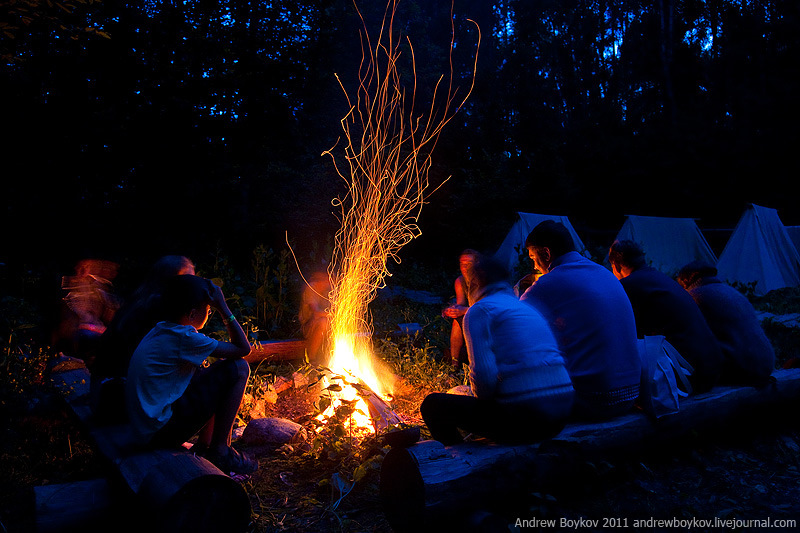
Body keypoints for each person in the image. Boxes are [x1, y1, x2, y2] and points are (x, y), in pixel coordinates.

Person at [420, 253, 574, 445]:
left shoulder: (480, 310)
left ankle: (461, 461)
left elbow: (484, 379)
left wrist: (478, 397)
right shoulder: (525, 307)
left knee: (433, 405)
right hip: (562, 412)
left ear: (476, 283)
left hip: (528, 415)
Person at [125, 274, 258, 475]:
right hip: (157, 433)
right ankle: (220, 451)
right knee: (238, 368)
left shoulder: (162, 329)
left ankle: (205, 447)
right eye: (208, 309)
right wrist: (223, 308)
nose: (210, 312)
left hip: (145, 428)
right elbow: (243, 349)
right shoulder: (183, 337)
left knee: (208, 375)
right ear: (192, 314)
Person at [520, 221, 641, 420]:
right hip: (631, 394)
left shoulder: (549, 282)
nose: (534, 265)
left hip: (595, 399)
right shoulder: (604, 273)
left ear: (546, 254)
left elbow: (514, 319)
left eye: (533, 257)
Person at [608, 240, 723, 393]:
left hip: (689, 375)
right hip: (711, 368)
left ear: (615, 265)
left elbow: (623, 337)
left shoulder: (629, 287)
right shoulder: (662, 279)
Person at [89, 255, 196, 417]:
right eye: (184, 280)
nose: (191, 287)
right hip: (115, 399)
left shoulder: (141, 298)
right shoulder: (158, 308)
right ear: (168, 281)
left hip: (103, 392)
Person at [677, 261, 775, 386]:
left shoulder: (696, 296)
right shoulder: (732, 292)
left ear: (686, 280)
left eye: (681, 283)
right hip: (765, 364)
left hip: (743, 369)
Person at [54, 258, 122, 362]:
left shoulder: (99, 286)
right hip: (80, 331)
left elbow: (111, 311)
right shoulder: (69, 285)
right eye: (82, 267)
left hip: (91, 330)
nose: (84, 270)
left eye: (88, 267)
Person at [441, 250, 478, 369]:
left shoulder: (483, 281)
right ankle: (454, 365)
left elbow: (486, 308)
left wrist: (463, 310)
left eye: (469, 263)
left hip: (487, 317)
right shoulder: (460, 281)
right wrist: (452, 310)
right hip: (472, 314)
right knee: (456, 320)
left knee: (462, 317)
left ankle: (477, 366)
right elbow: (460, 305)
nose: (465, 267)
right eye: (462, 264)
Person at [299, 270, 332, 364]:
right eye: (328, 280)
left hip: (323, 325)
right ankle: (311, 360)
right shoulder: (311, 289)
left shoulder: (327, 291)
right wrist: (334, 315)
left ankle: (330, 359)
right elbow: (316, 313)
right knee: (323, 322)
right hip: (307, 326)